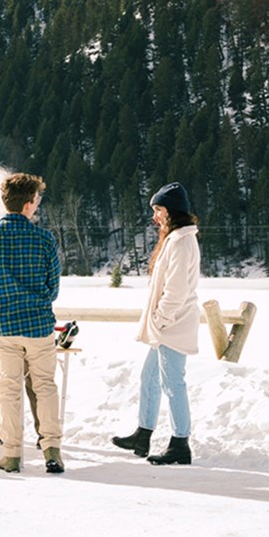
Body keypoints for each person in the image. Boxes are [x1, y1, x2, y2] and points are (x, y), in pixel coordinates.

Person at [0, 172, 65, 474]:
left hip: (4, 329)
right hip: (38, 328)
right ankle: (51, 451)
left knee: (8, 390)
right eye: (36, 199)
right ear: (28, 204)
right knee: (45, 387)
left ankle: (11, 455)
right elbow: (53, 289)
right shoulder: (45, 239)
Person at [111, 182, 201, 466]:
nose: (155, 217)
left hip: (172, 325)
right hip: (165, 325)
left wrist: (160, 321)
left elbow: (175, 291)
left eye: (159, 210)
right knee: (149, 378)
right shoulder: (175, 239)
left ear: (172, 211)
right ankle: (143, 434)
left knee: (173, 383)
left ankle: (180, 443)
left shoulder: (183, 242)